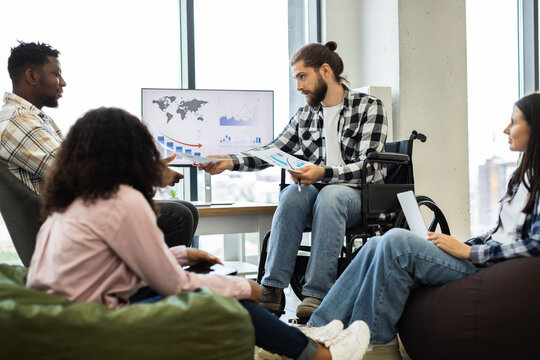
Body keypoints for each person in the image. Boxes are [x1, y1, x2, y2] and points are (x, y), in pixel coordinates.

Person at [26, 107, 371, 360]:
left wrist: (181, 255)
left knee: (200, 274)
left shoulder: (71, 203)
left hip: (66, 321)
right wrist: (246, 287)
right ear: (129, 153)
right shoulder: (122, 201)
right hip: (93, 327)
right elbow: (171, 285)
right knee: (226, 301)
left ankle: (298, 336)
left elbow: (115, 266)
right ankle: (319, 356)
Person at [306, 93, 540, 353]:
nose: (506, 129)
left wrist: (470, 252)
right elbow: (501, 233)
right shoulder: (524, 177)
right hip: (483, 258)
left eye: (514, 122)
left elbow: (536, 245)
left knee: (396, 242)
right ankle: (318, 330)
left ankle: (375, 345)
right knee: (375, 244)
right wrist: (459, 244)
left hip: (492, 269)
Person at [196, 41, 388, 319]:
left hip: (359, 195)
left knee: (330, 195)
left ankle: (316, 293)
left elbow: (369, 167)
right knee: (292, 194)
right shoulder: (304, 116)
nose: (298, 86)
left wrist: (323, 173)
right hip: (318, 195)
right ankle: (272, 288)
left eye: (302, 76)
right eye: (296, 78)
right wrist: (229, 161)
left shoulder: (369, 107)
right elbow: (273, 151)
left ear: (325, 71)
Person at [0, 41, 198, 247]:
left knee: (184, 209)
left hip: (73, 218)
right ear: (31, 76)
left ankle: (149, 275)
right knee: (178, 216)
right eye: (56, 74)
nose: (63, 82)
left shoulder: (31, 119)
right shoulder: (18, 121)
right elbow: (74, 174)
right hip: (68, 231)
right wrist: (145, 173)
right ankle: (152, 279)